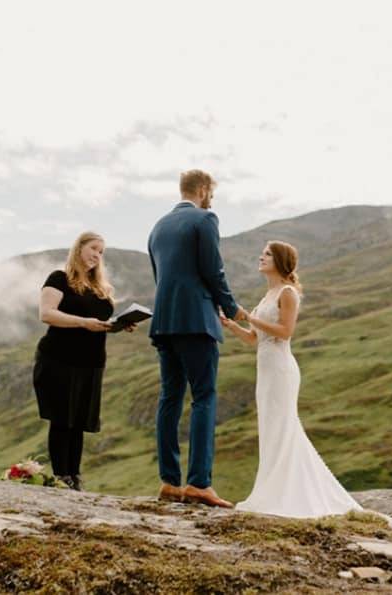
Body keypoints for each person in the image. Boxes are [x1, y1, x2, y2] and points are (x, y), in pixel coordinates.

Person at [221, 241, 362, 517]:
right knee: (270, 427)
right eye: (262, 252)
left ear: (282, 261)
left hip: (281, 367)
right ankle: (273, 489)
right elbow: (253, 339)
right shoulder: (267, 295)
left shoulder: (287, 293)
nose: (261, 257)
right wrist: (232, 325)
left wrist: (248, 315)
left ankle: (285, 493)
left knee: (283, 426)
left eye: (268, 254)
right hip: (265, 366)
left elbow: (285, 332)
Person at [147, 169, 248, 508]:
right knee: (204, 396)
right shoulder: (205, 220)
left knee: (169, 398)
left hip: (164, 322)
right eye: (211, 193)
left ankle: (169, 482)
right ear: (203, 190)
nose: (211, 200)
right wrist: (231, 308)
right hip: (195, 321)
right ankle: (199, 483)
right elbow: (212, 269)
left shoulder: (157, 227)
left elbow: (161, 277)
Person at [33, 231, 134, 491]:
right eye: (94, 248)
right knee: (62, 418)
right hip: (59, 358)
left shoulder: (101, 289)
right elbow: (47, 314)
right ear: (79, 248)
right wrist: (83, 323)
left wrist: (117, 326)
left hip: (91, 361)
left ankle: (74, 477)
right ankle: (60, 476)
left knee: (78, 420)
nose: (97, 255)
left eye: (101, 252)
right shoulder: (59, 279)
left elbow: (97, 323)